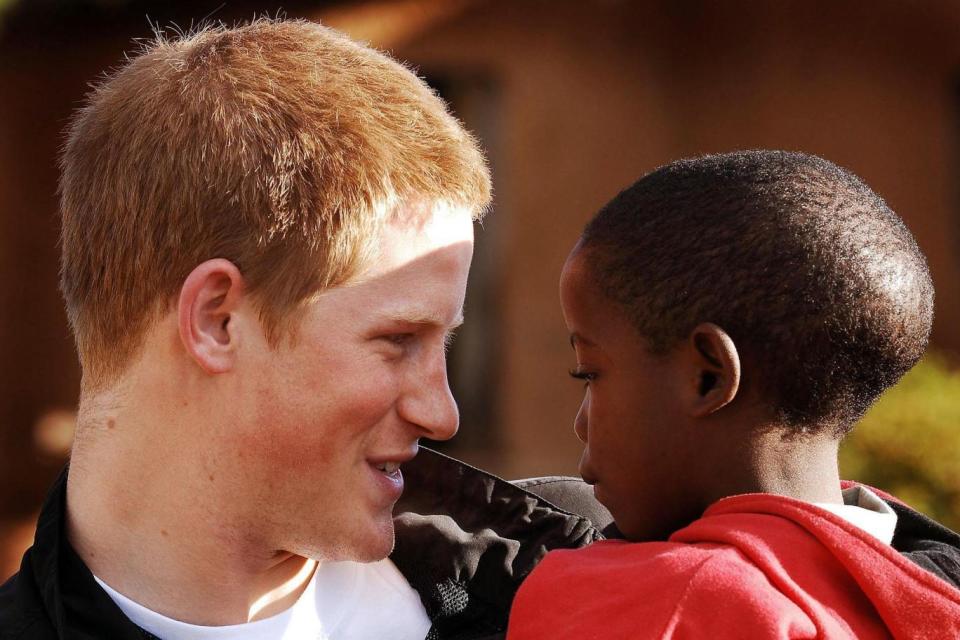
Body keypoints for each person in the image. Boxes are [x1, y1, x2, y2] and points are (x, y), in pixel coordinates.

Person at [0, 20, 606, 640]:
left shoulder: (604, 582)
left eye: (444, 342)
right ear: (217, 320)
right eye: (399, 341)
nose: (441, 414)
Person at [507, 151, 960, 639]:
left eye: (590, 374)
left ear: (707, 376)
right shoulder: (928, 582)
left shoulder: (659, 601)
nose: (581, 422)